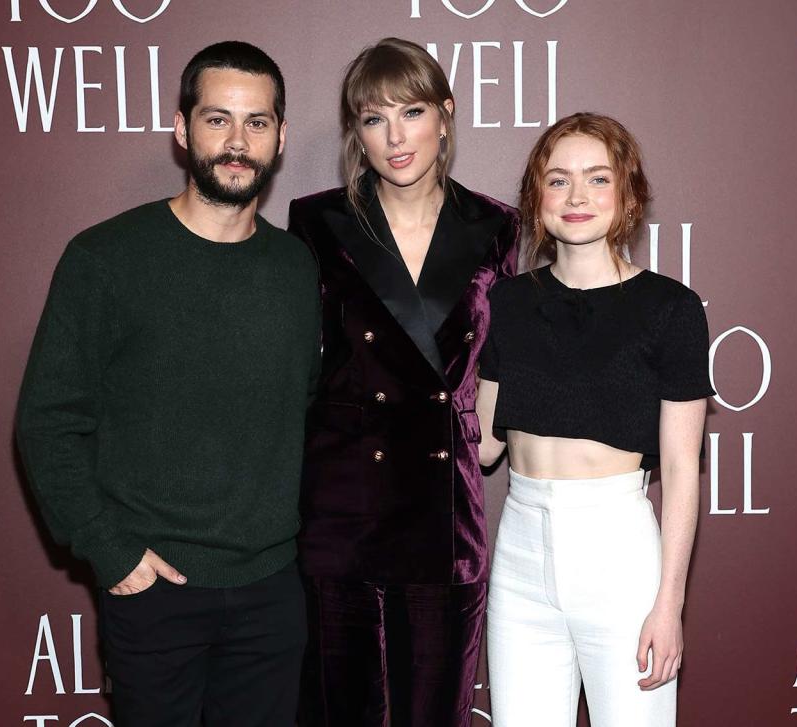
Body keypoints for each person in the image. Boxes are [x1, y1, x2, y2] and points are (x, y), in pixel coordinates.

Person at [16, 41, 320, 727]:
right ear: (182, 131)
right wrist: (114, 551)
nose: (237, 142)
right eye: (217, 120)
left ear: (278, 139)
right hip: (154, 591)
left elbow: (301, 409)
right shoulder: (105, 258)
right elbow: (48, 420)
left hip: (271, 594)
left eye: (257, 123)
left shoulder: (296, 268)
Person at [287, 37, 520, 727]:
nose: (394, 136)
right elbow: (300, 360)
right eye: (373, 118)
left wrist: (485, 436)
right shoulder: (319, 222)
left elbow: (504, 357)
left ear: (445, 115)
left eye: (411, 111)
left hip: (444, 514)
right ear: (355, 131)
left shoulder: (495, 227)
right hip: (342, 506)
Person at [477, 112, 713, 726]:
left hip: (621, 559)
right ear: (536, 198)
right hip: (521, 555)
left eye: (597, 179)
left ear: (628, 194)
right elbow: (480, 448)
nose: (576, 196)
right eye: (558, 181)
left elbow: (683, 469)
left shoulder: (672, 309)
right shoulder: (507, 302)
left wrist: (670, 604)